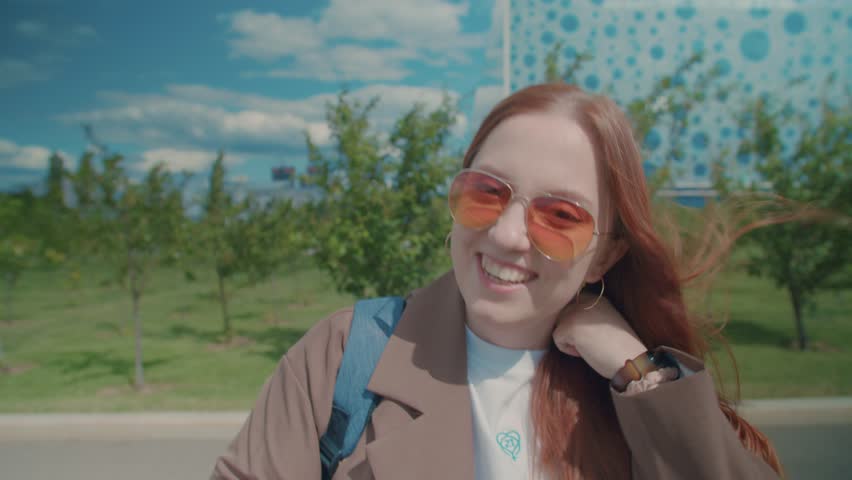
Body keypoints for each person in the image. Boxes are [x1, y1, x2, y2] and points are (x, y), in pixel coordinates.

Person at [211, 83, 783, 479]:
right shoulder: (341, 357)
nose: (508, 234)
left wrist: (635, 370)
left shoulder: (632, 394)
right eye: (487, 192)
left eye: (560, 216)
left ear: (605, 256)